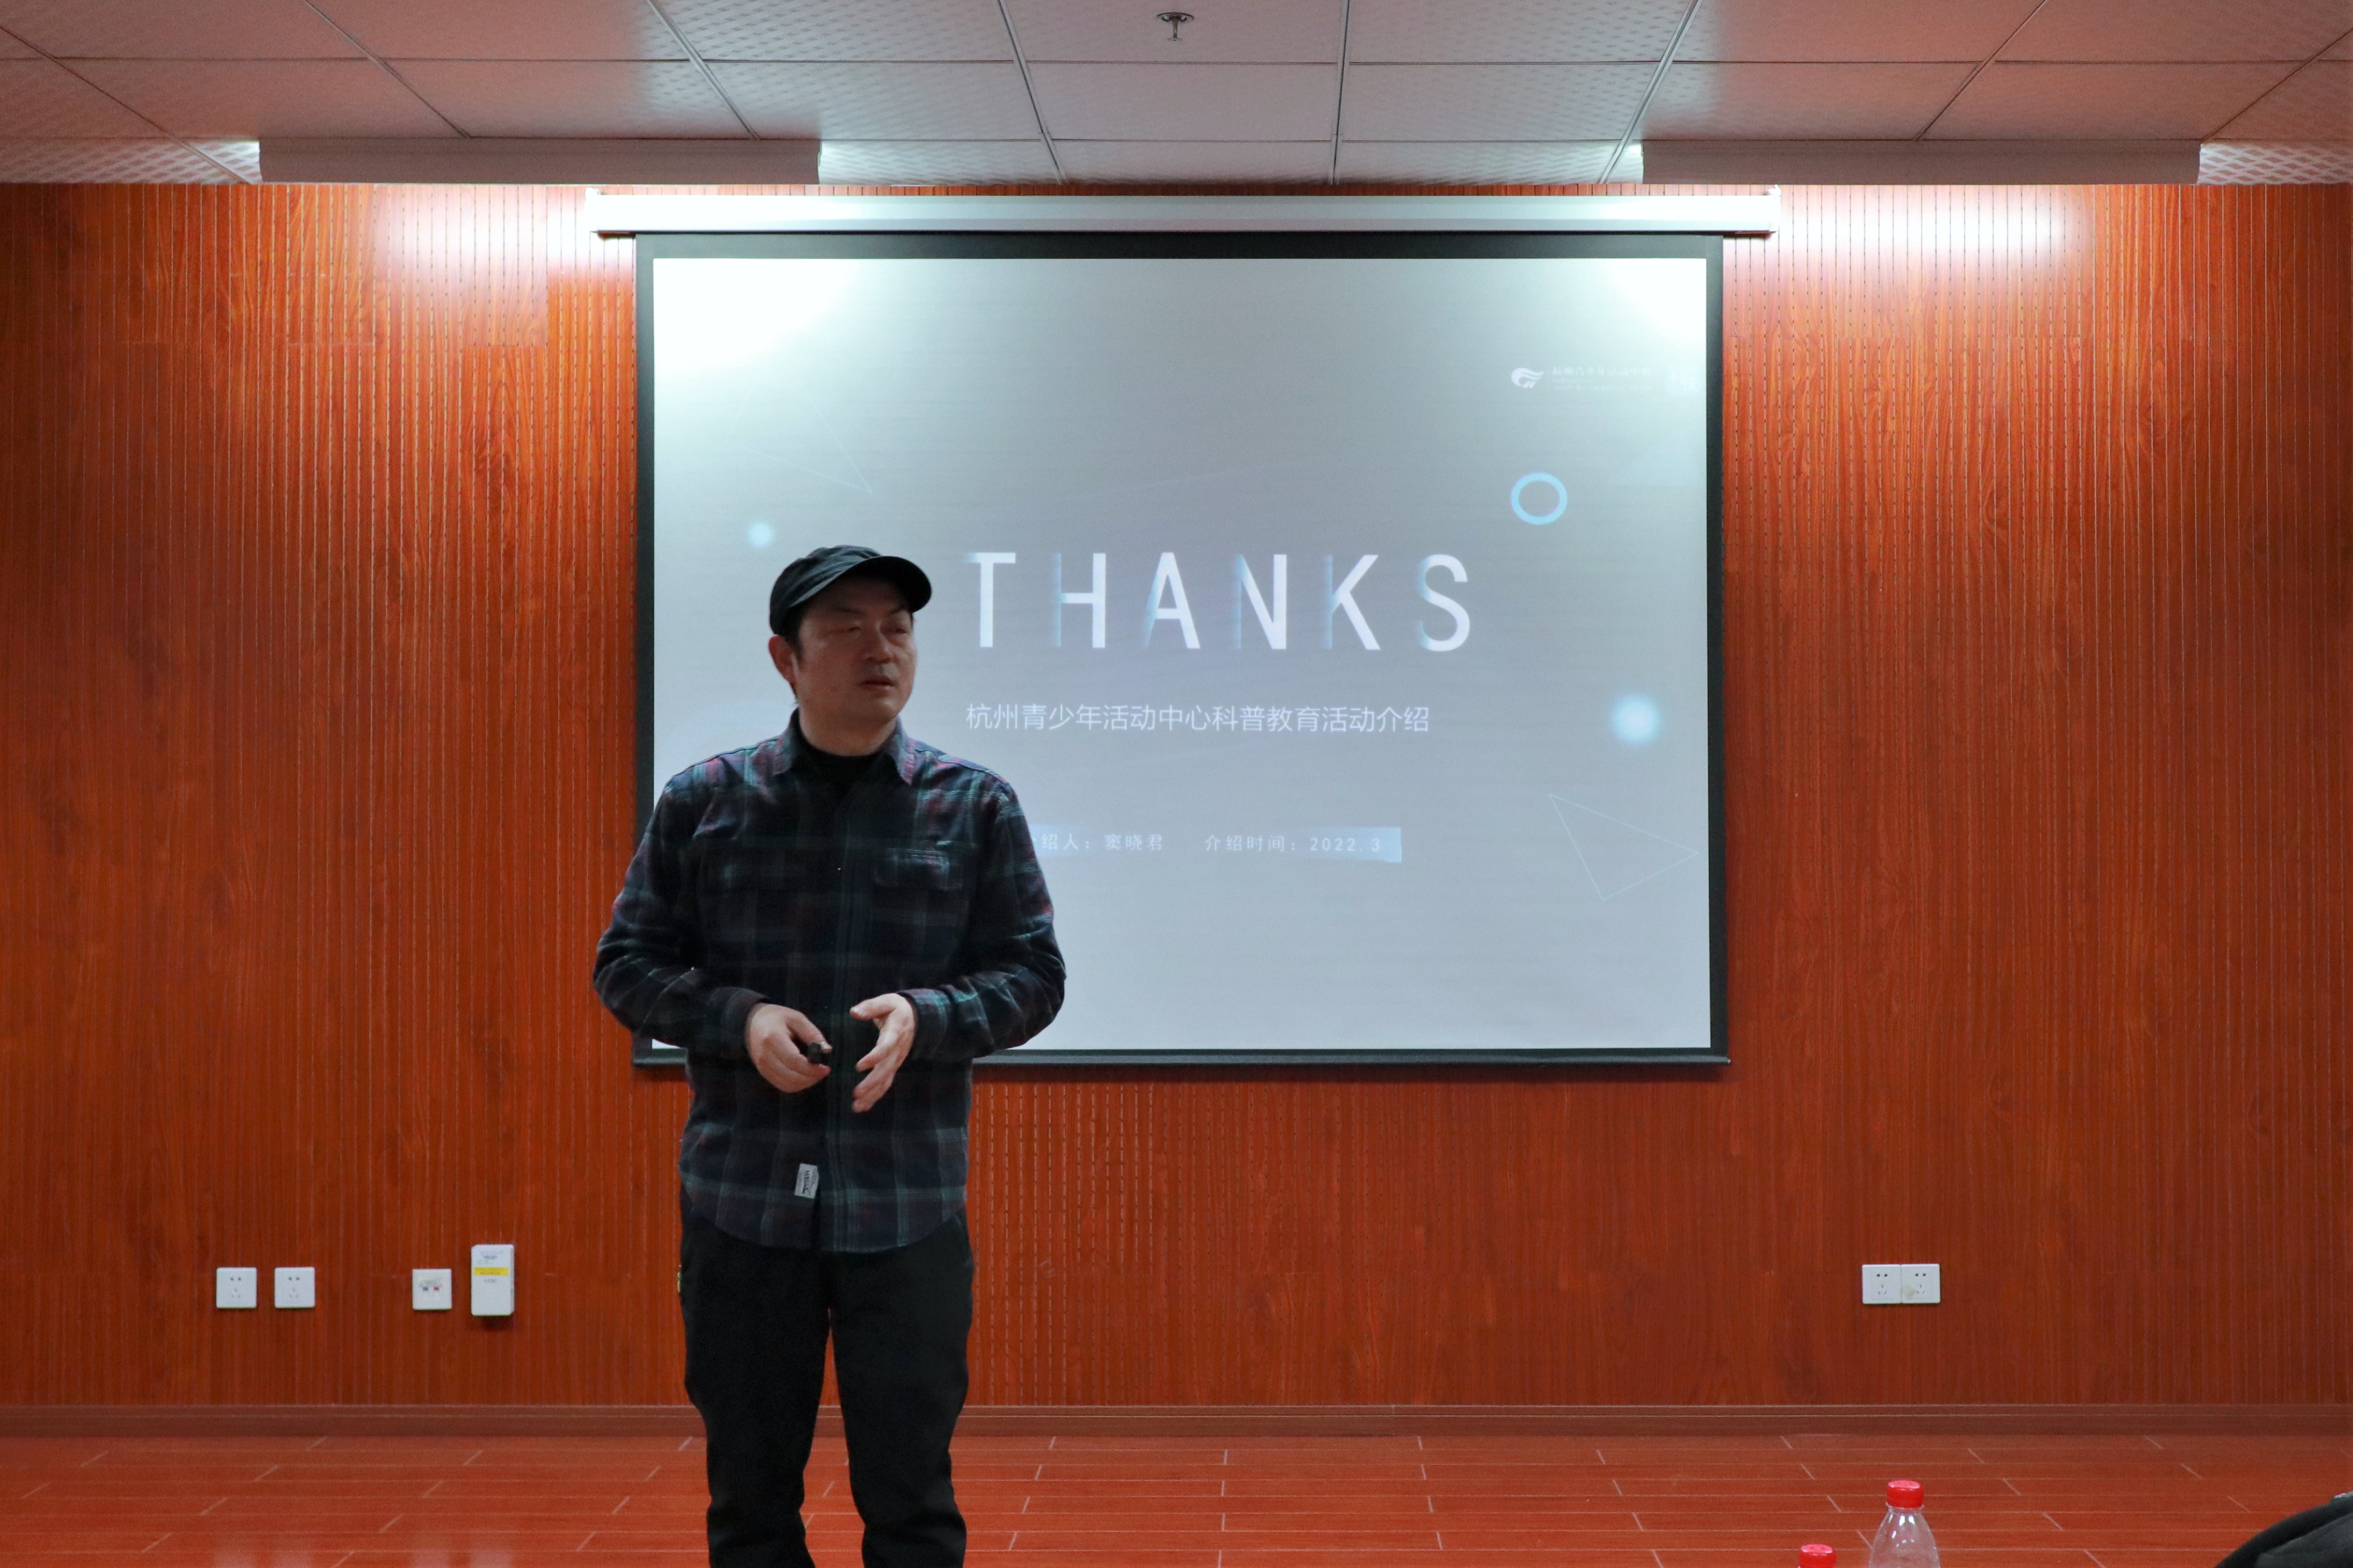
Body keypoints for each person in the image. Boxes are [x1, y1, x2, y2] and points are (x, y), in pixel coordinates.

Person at [593, 545, 1065, 1568]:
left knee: (913, 1500)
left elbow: (1034, 976)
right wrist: (739, 1018)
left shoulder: (973, 805)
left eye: (897, 626)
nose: (879, 648)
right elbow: (625, 965)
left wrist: (930, 1015)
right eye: (846, 627)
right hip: (743, 1202)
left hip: (907, 1202)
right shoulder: (706, 802)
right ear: (786, 658)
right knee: (750, 1500)